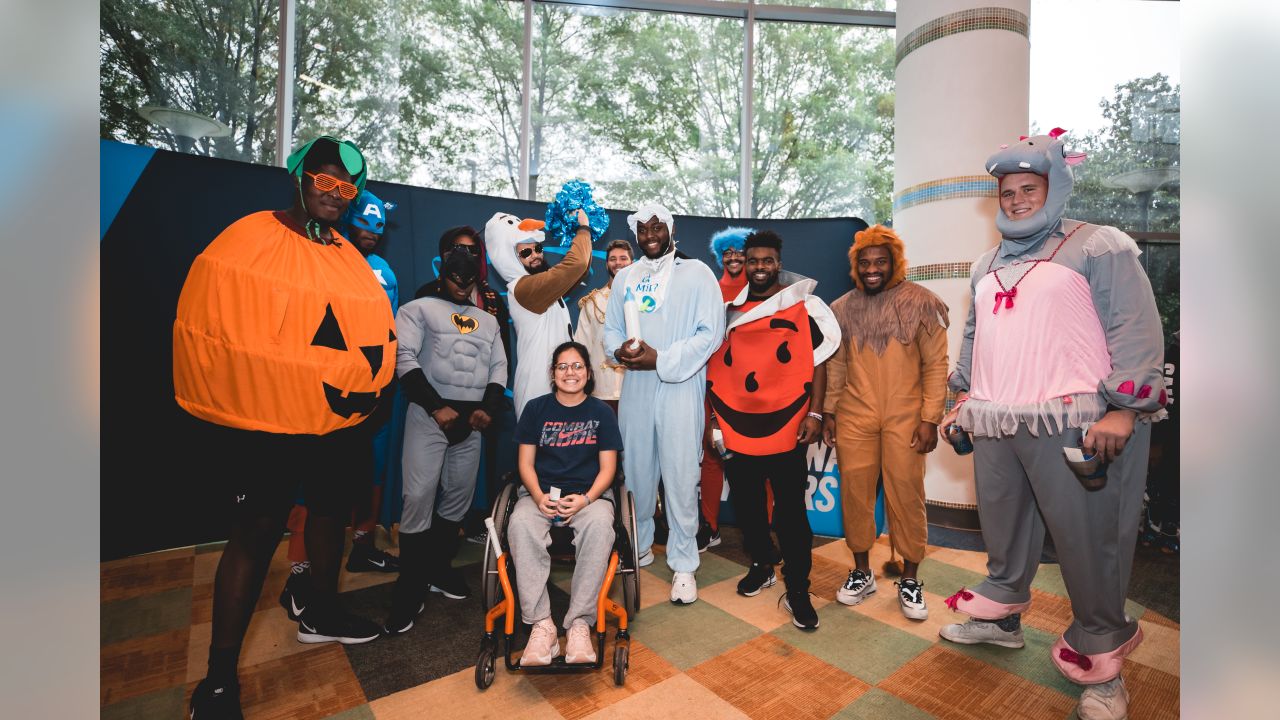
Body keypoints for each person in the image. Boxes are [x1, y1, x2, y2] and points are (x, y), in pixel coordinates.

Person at [937, 130, 1167, 720]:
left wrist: (1124, 407)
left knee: (1089, 544)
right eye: (1007, 192)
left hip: (1074, 419)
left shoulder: (1098, 246)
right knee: (1004, 530)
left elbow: (1135, 328)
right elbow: (974, 335)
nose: (1015, 200)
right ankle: (1004, 618)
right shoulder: (988, 262)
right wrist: (961, 397)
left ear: (1054, 187)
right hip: (996, 419)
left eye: (1027, 189)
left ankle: (1104, 663)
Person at [175, 136, 393, 719]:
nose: (335, 195)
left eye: (346, 187)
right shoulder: (251, 238)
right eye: (325, 180)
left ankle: (319, 609)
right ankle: (219, 678)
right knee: (254, 533)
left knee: (329, 514)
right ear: (300, 177)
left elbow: (370, 334)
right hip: (267, 424)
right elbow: (211, 322)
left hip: (333, 424)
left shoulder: (347, 254)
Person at [706, 230, 839, 630]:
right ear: (744, 264)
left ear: (778, 263)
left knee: (791, 513)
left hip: (789, 427)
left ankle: (798, 587)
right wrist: (714, 421)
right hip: (737, 426)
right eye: (753, 261)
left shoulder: (800, 306)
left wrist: (815, 414)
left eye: (767, 261)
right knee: (748, 508)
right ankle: (763, 564)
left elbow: (818, 361)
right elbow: (715, 366)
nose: (760, 267)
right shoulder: (728, 309)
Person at [279, 190, 401, 623]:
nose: (371, 233)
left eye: (378, 226)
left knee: (372, 467)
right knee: (317, 480)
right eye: (364, 224)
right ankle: (300, 570)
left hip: (375, 385)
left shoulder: (384, 271)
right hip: (326, 385)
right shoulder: (324, 257)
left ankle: (363, 547)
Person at [819, 225, 949, 621]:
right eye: (865, 262)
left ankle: (910, 576)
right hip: (854, 416)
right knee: (855, 493)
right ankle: (861, 571)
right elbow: (835, 366)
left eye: (880, 262)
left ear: (895, 263)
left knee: (906, 494)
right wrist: (829, 411)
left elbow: (936, 365)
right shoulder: (840, 309)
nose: (872, 269)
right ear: (855, 267)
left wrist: (930, 418)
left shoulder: (923, 303)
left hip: (907, 417)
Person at [604, 203, 724, 604]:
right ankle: (638, 545)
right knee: (635, 470)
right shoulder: (627, 277)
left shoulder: (697, 274)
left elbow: (711, 333)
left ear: (671, 229)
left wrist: (663, 359)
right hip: (636, 385)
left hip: (681, 384)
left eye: (657, 227)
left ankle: (684, 563)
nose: (649, 235)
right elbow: (612, 331)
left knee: (679, 473)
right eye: (642, 229)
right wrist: (620, 351)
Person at [385, 249, 507, 632]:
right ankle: (410, 586)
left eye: (469, 279)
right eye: (456, 277)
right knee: (418, 496)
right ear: (443, 274)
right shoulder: (417, 309)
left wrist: (487, 409)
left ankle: (437, 570)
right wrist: (436, 407)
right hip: (429, 414)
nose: (462, 284)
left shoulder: (488, 321)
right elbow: (404, 357)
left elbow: (499, 366)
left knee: (458, 498)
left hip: (470, 420)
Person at [508, 341, 622, 665]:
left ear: (588, 373)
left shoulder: (601, 413)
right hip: (540, 493)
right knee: (520, 524)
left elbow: (609, 469)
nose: (570, 372)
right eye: (562, 366)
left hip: (589, 496)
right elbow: (525, 464)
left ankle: (579, 625)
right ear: (552, 373)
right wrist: (539, 496)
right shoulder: (536, 409)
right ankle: (542, 626)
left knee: (601, 526)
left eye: (577, 366)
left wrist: (586, 499)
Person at [486, 210, 593, 420]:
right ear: (510, 257)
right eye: (525, 253)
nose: (535, 255)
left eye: (537, 248)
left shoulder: (540, 288)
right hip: (539, 394)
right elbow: (577, 264)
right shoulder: (524, 289)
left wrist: (578, 231)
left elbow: (580, 270)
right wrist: (584, 228)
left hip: (557, 391)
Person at [696, 226, 753, 551]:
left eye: (738, 251)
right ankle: (711, 526)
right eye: (727, 252)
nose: (733, 257)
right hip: (714, 382)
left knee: (759, 459)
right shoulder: (711, 290)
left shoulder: (763, 290)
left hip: (752, 385)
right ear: (721, 256)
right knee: (711, 456)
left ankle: (760, 528)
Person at [415, 225, 511, 361]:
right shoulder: (427, 294)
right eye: (458, 248)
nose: (465, 254)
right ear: (445, 253)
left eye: (472, 250)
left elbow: (503, 353)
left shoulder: (493, 300)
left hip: (481, 377)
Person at [573, 238, 634, 411]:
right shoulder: (592, 302)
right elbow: (581, 346)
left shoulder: (646, 300)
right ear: (607, 264)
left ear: (632, 262)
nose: (618, 263)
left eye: (623, 258)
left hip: (636, 389)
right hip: (601, 390)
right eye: (613, 259)